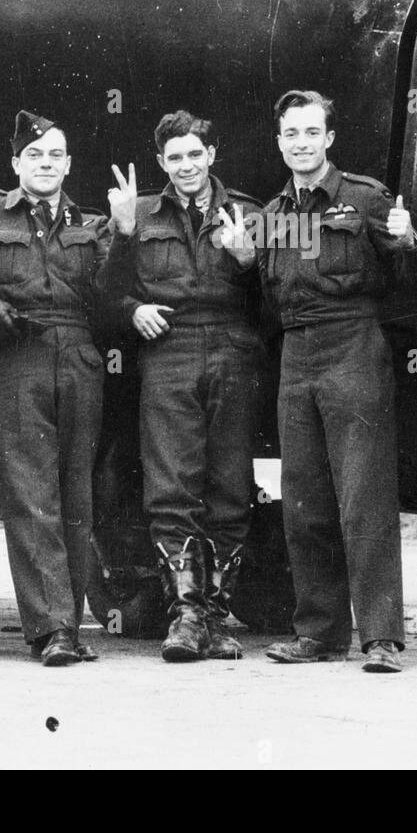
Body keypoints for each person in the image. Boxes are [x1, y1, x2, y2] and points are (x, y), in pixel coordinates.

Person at [259, 89, 417, 673]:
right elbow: (263, 295)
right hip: (295, 352)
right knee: (304, 499)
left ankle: (381, 636)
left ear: (329, 139)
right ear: (279, 140)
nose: (301, 144)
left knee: (363, 495)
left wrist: (409, 239)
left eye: (312, 133)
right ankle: (319, 631)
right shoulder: (273, 215)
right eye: (291, 134)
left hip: (353, 346)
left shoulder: (364, 198)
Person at [0, 110, 110, 666]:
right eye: (34, 156)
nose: (45, 164)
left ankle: (70, 623)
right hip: (16, 355)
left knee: (77, 493)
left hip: (80, 356)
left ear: (68, 164)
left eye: (55, 155)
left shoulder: (91, 223)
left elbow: (112, 290)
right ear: (16, 164)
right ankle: (51, 629)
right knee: (31, 493)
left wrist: (126, 234)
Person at [104, 111, 263, 662]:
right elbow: (102, 293)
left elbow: (283, 296)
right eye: (175, 157)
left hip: (233, 353)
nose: (186, 166)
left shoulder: (247, 213)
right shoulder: (137, 214)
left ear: (212, 155)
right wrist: (135, 307)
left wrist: (249, 262)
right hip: (167, 353)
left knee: (229, 487)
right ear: (161, 163)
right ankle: (187, 617)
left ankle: (216, 620)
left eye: (195, 154)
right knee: (171, 486)